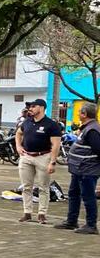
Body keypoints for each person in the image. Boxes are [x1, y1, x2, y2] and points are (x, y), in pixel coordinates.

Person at [15, 98, 63, 224]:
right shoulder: (27, 121)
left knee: (43, 187)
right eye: (29, 107)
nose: (30, 109)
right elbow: (18, 133)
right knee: (26, 187)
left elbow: (56, 145)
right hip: (26, 157)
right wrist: (18, 146)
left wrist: (53, 162)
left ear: (41, 108)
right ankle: (27, 213)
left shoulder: (51, 125)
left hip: (43, 157)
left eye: (33, 106)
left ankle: (42, 214)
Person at [55, 102, 100, 235]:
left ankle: (91, 225)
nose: (78, 113)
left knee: (88, 196)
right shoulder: (87, 128)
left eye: (80, 111)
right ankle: (71, 221)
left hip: (87, 170)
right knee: (74, 194)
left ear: (84, 114)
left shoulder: (92, 130)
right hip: (79, 169)